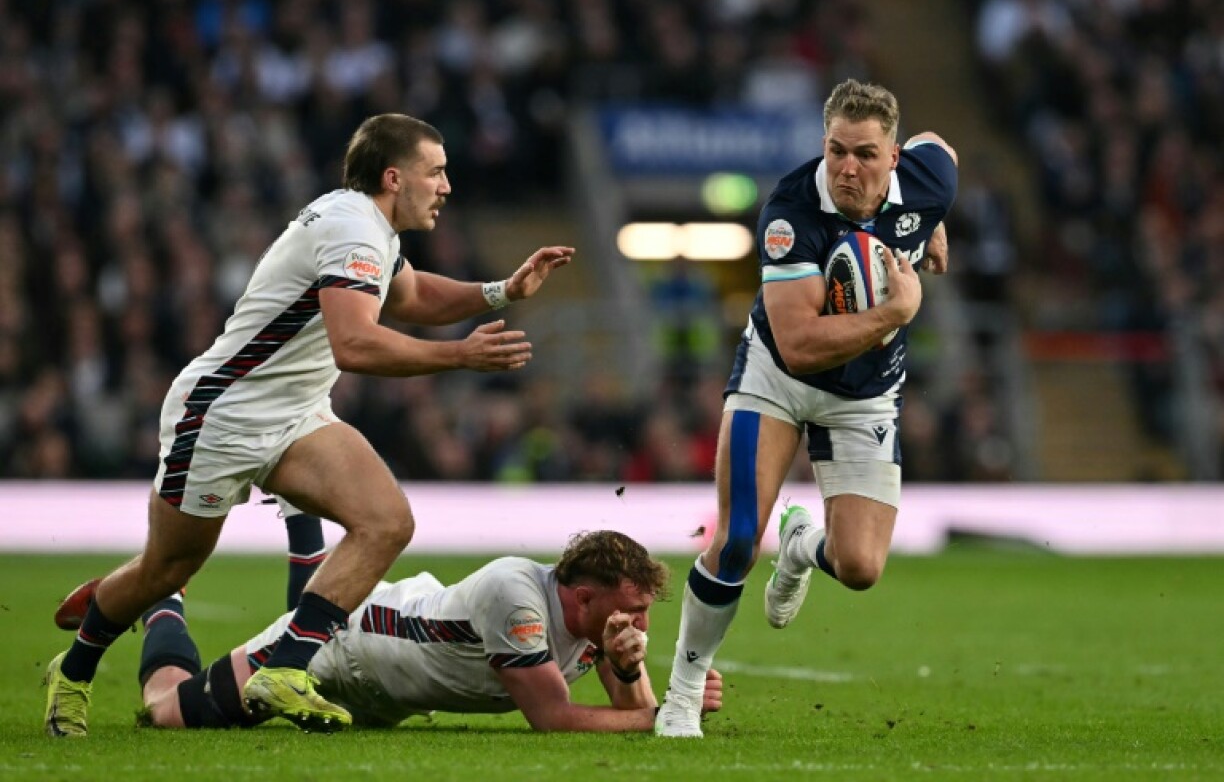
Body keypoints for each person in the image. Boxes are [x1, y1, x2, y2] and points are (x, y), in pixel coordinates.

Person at [43, 113, 576, 737]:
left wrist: (502, 290)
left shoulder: (367, 226)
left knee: (386, 522)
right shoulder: (353, 229)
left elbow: (409, 298)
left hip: (295, 415)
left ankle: (288, 667)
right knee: (168, 568)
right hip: (224, 416)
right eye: (437, 172)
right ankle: (73, 670)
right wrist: (460, 355)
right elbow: (355, 344)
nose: (447, 186)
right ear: (394, 176)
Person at [653, 79, 958, 738]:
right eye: (837, 151)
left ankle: (802, 546)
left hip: (867, 394)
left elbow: (943, 148)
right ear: (824, 145)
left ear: (894, 157)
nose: (848, 168)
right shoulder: (792, 213)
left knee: (861, 569)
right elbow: (798, 343)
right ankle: (681, 690)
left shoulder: (928, 180)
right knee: (736, 539)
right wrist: (895, 314)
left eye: (866, 155)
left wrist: (936, 225)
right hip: (779, 376)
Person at [103, 530, 722, 732]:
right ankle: (163, 601)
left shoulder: (594, 622)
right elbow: (553, 717)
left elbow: (636, 714)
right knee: (165, 711)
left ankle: (301, 524)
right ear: (582, 596)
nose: (637, 625)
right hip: (342, 647)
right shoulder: (517, 594)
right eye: (631, 611)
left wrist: (629, 670)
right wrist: (671, 710)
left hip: (384, 697)